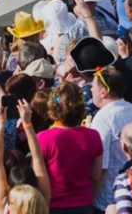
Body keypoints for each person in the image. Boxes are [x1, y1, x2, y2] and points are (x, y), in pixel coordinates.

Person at [90, 67, 132, 213]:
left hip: (110, 199)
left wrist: (92, 198)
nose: (91, 90)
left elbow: (100, 166)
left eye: (93, 86)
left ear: (103, 92)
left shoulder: (103, 118)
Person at [36, 82, 103, 213]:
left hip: (54, 206)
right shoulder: (93, 136)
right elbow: (96, 176)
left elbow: (40, 177)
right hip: (85, 204)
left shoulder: (43, 138)